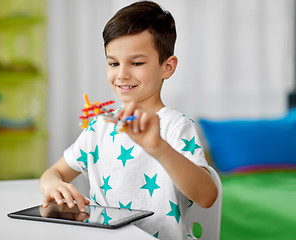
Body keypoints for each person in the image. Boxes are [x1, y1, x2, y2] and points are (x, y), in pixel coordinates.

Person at [40, 1, 218, 239]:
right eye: (113, 63)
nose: (122, 74)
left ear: (167, 67)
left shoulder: (177, 127)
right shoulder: (99, 127)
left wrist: (158, 147)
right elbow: (53, 173)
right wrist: (52, 184)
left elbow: (207, 197)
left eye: (136, 63)